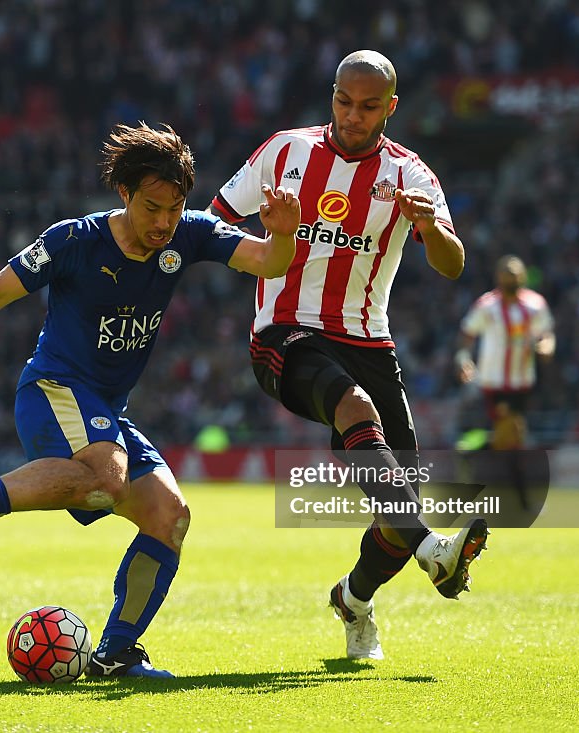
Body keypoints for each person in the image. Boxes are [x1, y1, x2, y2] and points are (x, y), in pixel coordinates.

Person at [0, 123, 300, 678]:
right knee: (108, 476)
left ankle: (115, 654)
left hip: (106, 410)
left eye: (175, 206)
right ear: (124, 193)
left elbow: (269, 262)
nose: (164, 221)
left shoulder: (191, 234)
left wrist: (283, 235)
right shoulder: (74, 240)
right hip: (53, 390)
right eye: (152, 206)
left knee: (170, 516)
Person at [209, 50, 488, 661]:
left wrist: (432, 229)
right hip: (283, 331)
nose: (352, 117)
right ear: (330, 95)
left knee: (396, 507)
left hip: (369, 340)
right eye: (343, 102)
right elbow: (214, 224)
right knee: (352, 407)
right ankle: (432, 550)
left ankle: (354, 600)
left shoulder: (411, 176)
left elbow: (453, 265)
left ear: (390, 107)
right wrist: (269, 241)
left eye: (367, 107)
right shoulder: (284, 152)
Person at [455, 255, 555, 507]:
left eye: (515, 273)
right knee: (513, 438)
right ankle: (524, 502)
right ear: (498, 276)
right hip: (496, 383)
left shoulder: (534, 305)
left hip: (522, 383)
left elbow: (546, 335)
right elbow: (466, 337)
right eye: (506, 273)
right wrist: (463, 359)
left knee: (510, 442)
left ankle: (470, 448)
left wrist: (547, 347)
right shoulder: (487, 306)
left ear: (522, 276)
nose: (511, 277)